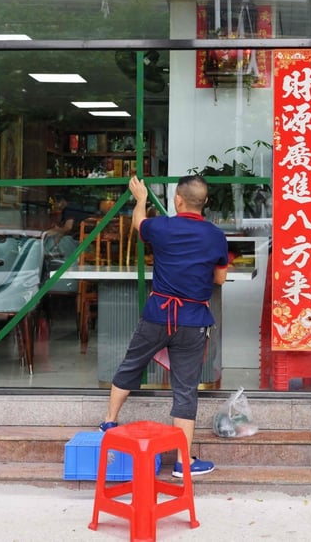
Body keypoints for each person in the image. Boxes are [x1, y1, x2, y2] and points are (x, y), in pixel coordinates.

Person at [99, 174, 229, 478]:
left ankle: (108, 421)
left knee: (132, 364)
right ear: (205, 203)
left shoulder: (162, 227)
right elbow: (220, 279)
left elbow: (138, 224)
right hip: (193, 320)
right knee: (185, 389)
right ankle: (183, 463)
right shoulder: (215, 236)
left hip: (158, 314)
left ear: (178, 200)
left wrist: (141, 199)